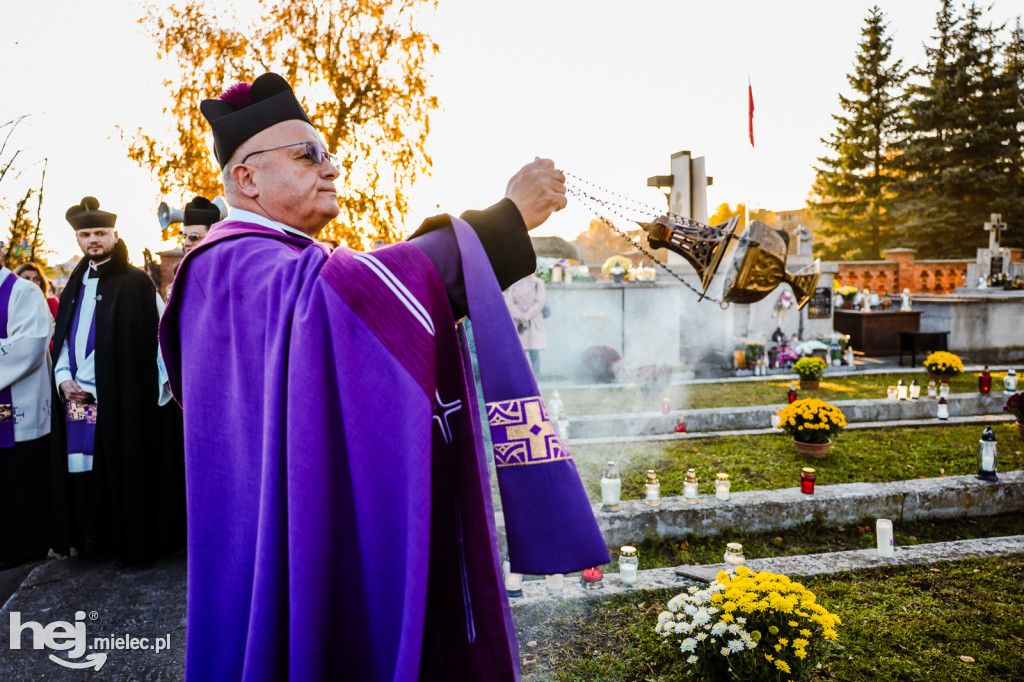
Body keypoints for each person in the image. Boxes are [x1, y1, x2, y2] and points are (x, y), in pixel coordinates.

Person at [159, 72, 608, 681]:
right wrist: (502, 223)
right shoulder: (237, 261)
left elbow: (352, 296)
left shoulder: (269, 261)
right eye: (307, 155)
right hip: (274, 526)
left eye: (329, 154)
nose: (331, 168)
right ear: (246, 177)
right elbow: (344, 301)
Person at [49, 197, 183, 566]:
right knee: (85, 471)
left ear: (115, 234)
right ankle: (92, 544)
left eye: (100, 233)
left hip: (123, 397)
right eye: (85, 234)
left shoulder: (137, 282)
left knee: (122, 469)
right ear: (77, 239)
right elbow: (65, 335)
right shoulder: (75, 282)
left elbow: (158, 337)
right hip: (76, 397)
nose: (93, 239)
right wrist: (63, 377)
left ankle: (131, 547)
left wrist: (90, 380)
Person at [0, 249, 53, 569]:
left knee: (18, 475)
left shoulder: (23, 291)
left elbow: (29, 345)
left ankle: (26, 549)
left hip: (15, 405)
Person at [506, 272, 547, 375]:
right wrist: (520, 316)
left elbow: (540, 302)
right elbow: (510, 303)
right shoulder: (514, 284)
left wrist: (526, 316)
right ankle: (523, 378)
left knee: (534, 353)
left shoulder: (538, 283)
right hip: (518, 323)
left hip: (533, 321)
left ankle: (536, 379)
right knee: (520, 353)